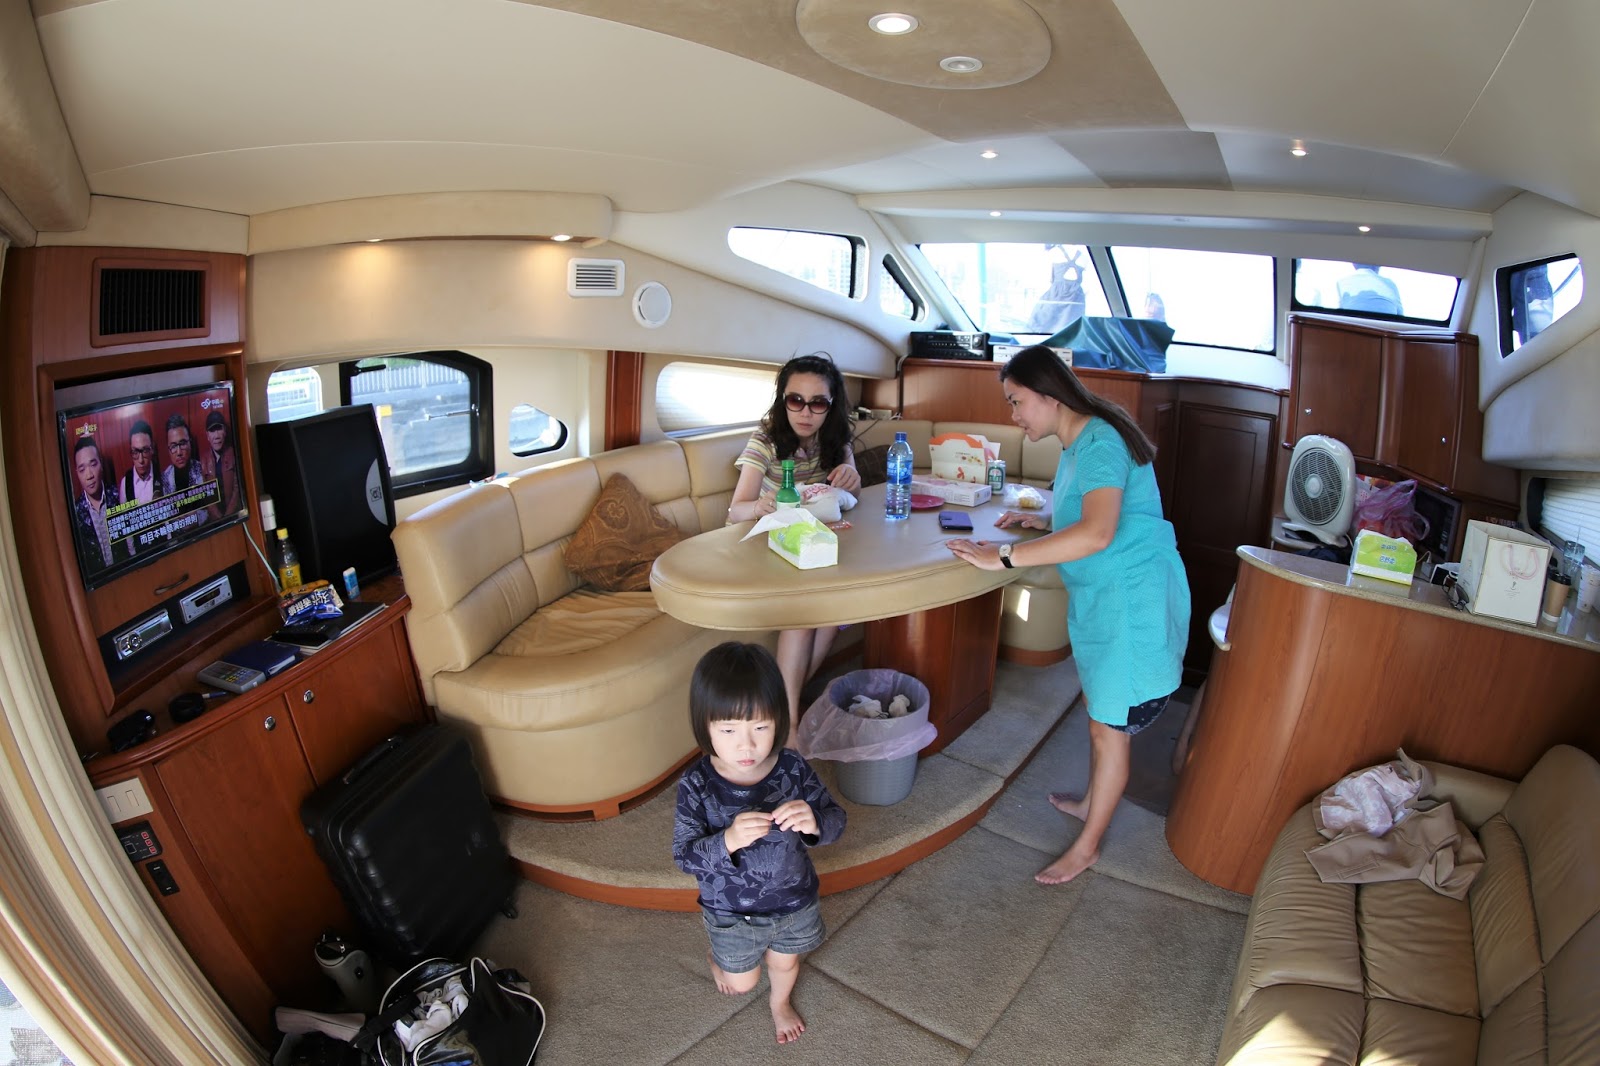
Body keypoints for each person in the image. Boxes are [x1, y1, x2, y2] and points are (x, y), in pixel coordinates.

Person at [945, 345, 1189, 885]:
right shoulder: (1080, 441)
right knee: (1101, 713)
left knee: (1109, 728)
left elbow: (1099, 532)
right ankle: (1091, 805)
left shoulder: (1100, 442)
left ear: (1050, 395)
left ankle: (1087, 847)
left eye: (1016, 401)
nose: (1013, 415)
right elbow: (1093, 512)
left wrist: (1002, 555)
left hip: (1130, 605)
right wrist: (1042, 526)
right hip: (1109, 599)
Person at [671, 641, 846, 1045]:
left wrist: (814, 822)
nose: (746, 745)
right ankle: (720, 960)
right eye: (728, 730)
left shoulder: (792, 768)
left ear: (779, 720)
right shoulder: (696, 784)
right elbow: (684, 856)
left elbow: (836, 819)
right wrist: (728, 840)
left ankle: (779, 1003)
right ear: (704, 726)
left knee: (785, 965)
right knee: (742, 983)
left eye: (761, 727)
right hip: (731, 912)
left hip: (793, 901)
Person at [728, 354, 861, 727]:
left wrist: (851, 477)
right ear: (782, 400)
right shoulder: (765, 440)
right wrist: (760, 506)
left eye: (817, 403)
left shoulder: (836, 439)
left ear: (831, 406)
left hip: (805, 543)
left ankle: (778, 711)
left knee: (835, 613)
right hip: (759, 543)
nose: (805, 412)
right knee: (804, 612)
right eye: (795, 400)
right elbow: (736, 510)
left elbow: (851, 494)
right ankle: (786, 723)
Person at [70, 435, 121, 569]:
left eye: (93, 465)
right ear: (77, 473)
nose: (89, 475)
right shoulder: (75, 513)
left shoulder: (120, 496)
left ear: (101, 464)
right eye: (82, 470)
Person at [204, 410, 243, 515]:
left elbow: (237, 490)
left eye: (219, 429)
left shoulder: (234, 454)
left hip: (234, 515)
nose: (216, 436)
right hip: (214, 520)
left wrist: (228, 516)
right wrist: (219, 518)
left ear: (224, 431)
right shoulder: (203, 461)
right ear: (207, 435)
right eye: (212, 430)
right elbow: (206, 496)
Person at [119, 419, 161, 505]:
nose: (141, 460)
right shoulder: (125, 482)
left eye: (145, 451)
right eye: (135, 452)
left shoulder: (163, 476)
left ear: (152, 449)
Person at [1336, 263, 1403, 315]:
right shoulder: (1389, 283)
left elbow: (1339, 314)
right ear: (1378, 266)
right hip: (1385, 327)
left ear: (1354, 265)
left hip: (1353, 325)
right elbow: (1400, 316)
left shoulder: (1341, 282)